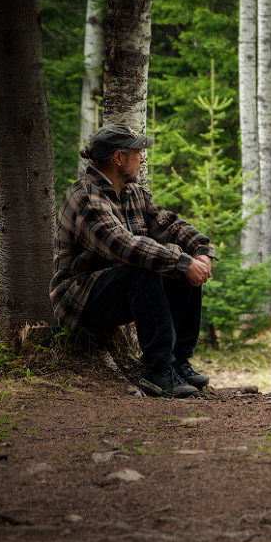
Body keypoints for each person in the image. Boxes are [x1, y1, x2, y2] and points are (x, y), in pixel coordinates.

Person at [50, 123, 216, 398]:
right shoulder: (85, 197)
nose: (143, 158)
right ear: (118, 158)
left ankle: (177, 362)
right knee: (149, 267)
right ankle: (157, 371)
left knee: (175, 262)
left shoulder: (133, 192)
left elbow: (169, 225)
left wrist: (201, 250)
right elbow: (122, 246)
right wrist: (183, 261)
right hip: (80, 297)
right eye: (138, 152)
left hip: (118, 286)